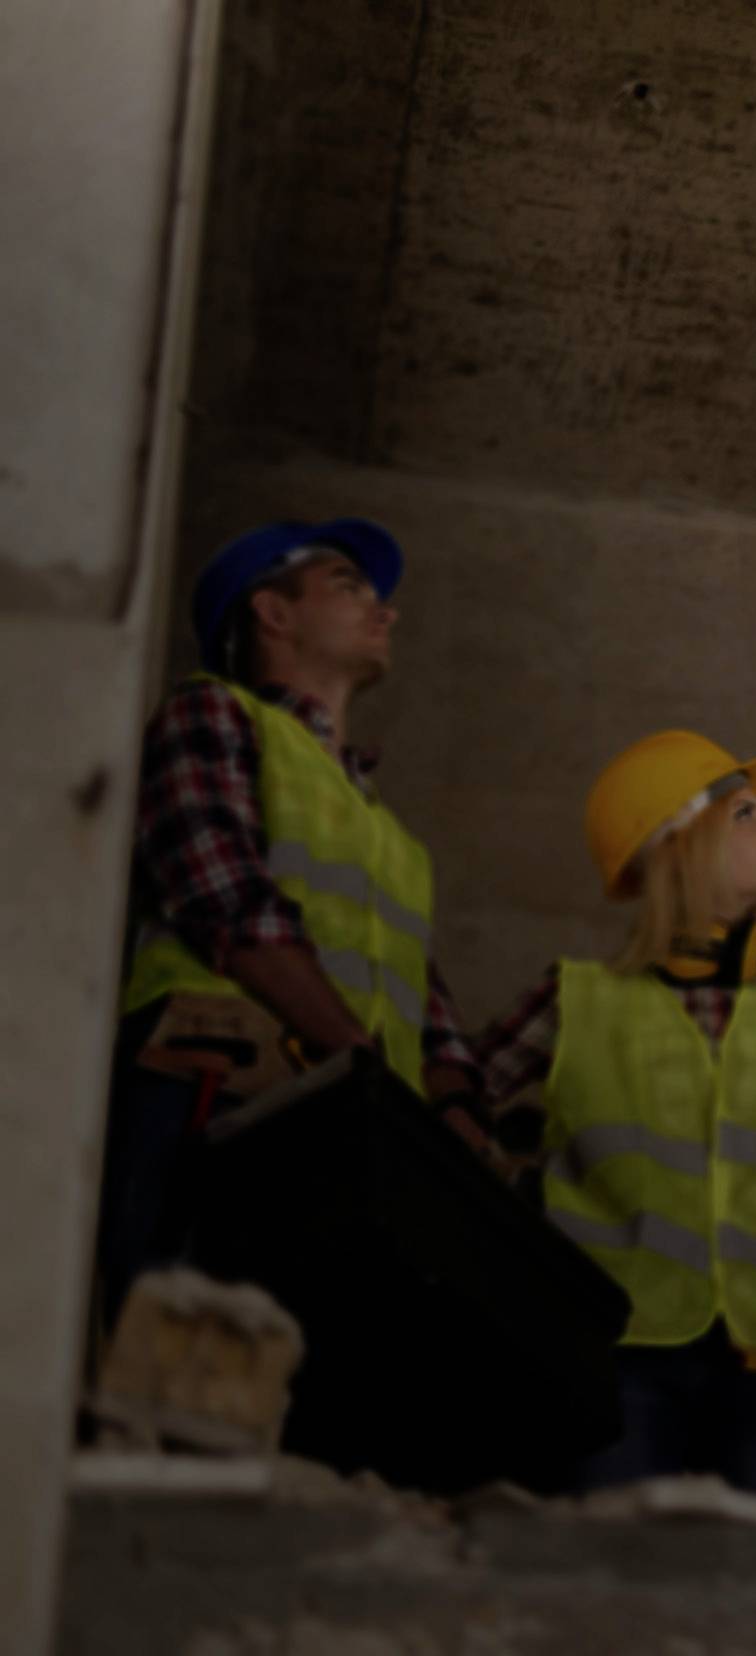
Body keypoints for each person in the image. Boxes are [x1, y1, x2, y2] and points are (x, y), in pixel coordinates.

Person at [101, 519, 486, 1328]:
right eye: (349, 586)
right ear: (272, 613)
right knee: (184, 1398)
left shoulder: (388, 834)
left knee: (318, 1420)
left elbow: (429, 1009)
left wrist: (457, 1117)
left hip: (355, 1142)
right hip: (222, 1113)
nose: (386, 612)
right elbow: (227, 904)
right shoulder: (213, 716)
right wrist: (357, 1065)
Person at [473, 731, 756, 1491]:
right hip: (614, 1354)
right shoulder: (573, 999)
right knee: (615, 1570)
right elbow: (451, 1116)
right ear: (681, 841)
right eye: (749, 813)